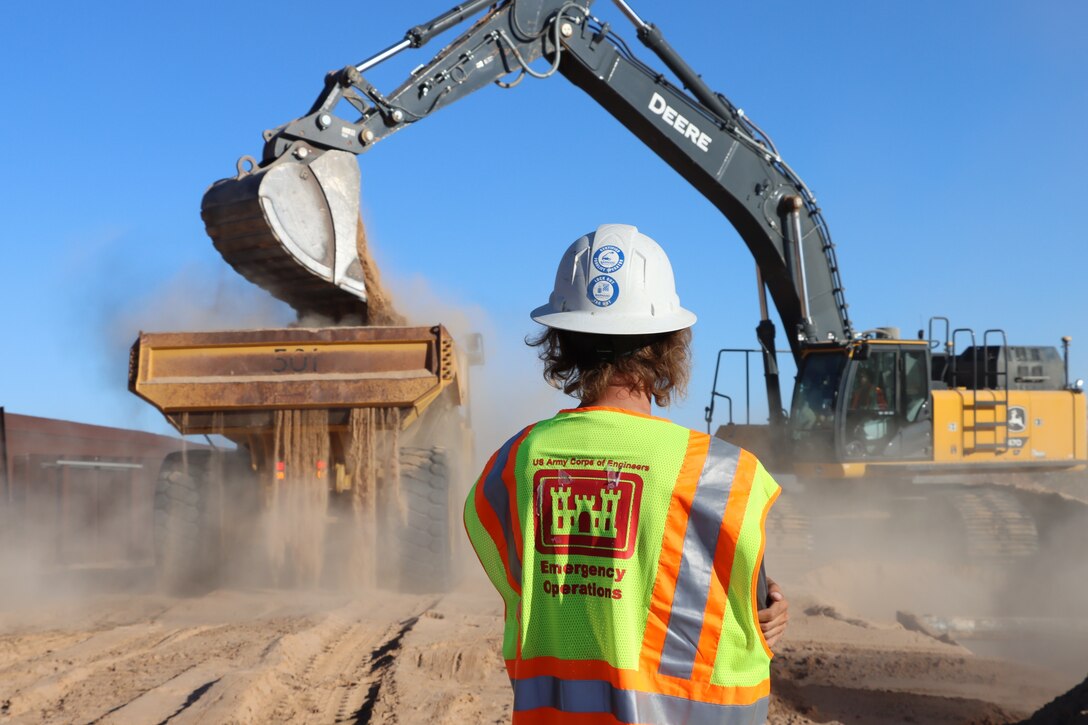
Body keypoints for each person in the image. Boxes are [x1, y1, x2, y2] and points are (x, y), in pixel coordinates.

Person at [464, 224, 789, 724]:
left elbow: (521, 584)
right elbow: (748, 615)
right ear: (671, 343)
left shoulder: (513, 463)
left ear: (562, 341)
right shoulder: (728, 475)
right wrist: (762, 609)